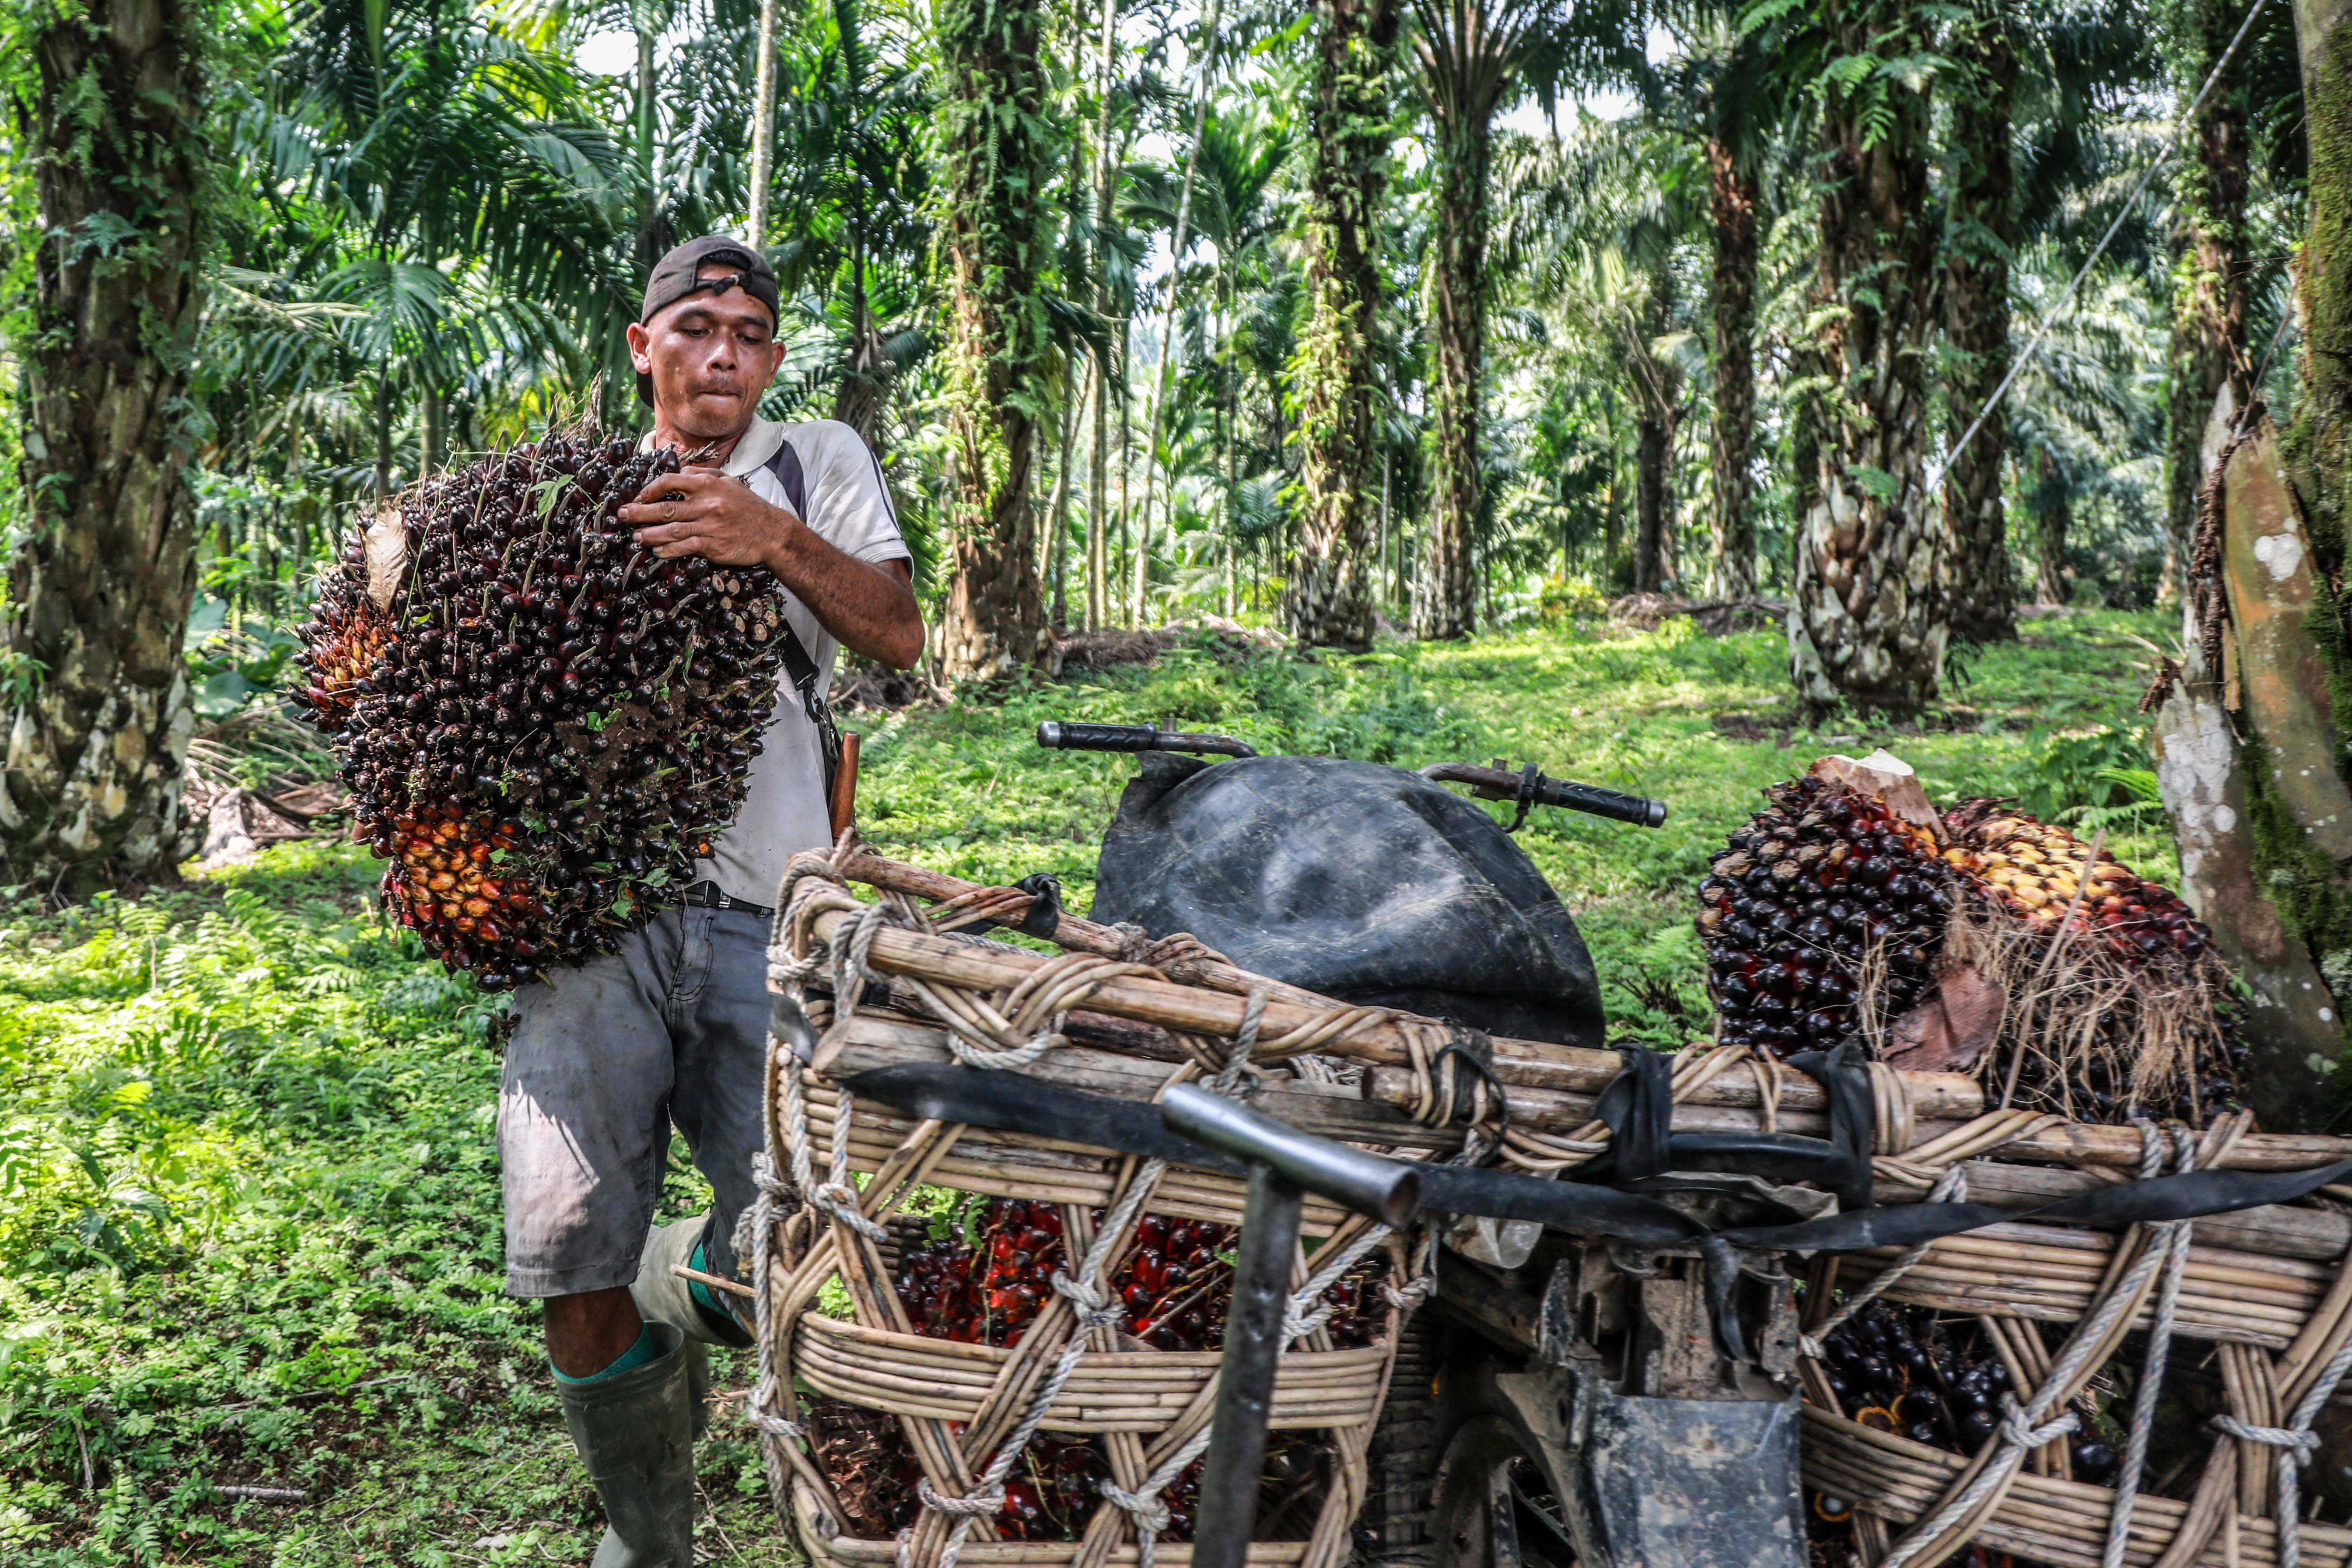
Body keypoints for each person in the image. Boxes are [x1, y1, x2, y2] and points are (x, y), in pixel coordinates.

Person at [499, 235, 924, 1567]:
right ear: (645, 348)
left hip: (771, 913)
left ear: (774, 358)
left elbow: (902, 637)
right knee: (568, 1267)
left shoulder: (818, 463)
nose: (722, 350)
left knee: (801, 1255)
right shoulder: (573, 494)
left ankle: (677, 1275)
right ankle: (652, 1543)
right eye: (693, 326)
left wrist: (772, 539)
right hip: (596, 928)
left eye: (747, 330)